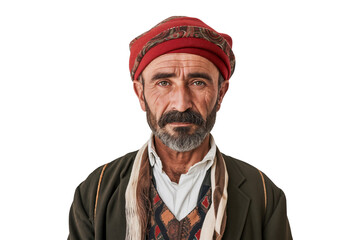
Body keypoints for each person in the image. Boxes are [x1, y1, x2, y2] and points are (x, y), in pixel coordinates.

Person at [68, 16, 292, 240]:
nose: (181, 103)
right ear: (141, 94)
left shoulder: (263, 195)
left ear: (220, 94)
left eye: (198, 83)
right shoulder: (95, 193)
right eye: (164, 83)